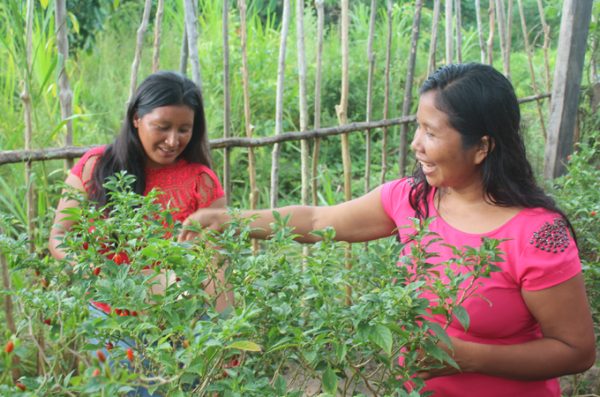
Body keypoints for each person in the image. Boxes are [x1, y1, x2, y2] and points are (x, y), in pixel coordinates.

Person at [179, 63, 596, 396]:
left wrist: (466, 357)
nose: (416, 144)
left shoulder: (538, 234)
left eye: (431, 133)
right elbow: (316, 221)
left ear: (482, 147)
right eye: (418, 127)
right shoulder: (412, 200)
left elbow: (576, 353)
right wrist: (225, 221)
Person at [48, 72, 232, 394]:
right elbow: (61, 236)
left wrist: (223, 333)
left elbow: (215, 263)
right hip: (112, 323)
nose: (173, 140)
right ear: (136, 118)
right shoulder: (96, 166)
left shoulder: (201, 181)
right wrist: (96, 273)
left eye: (184, 129)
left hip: (182, 323)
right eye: (162, 127)